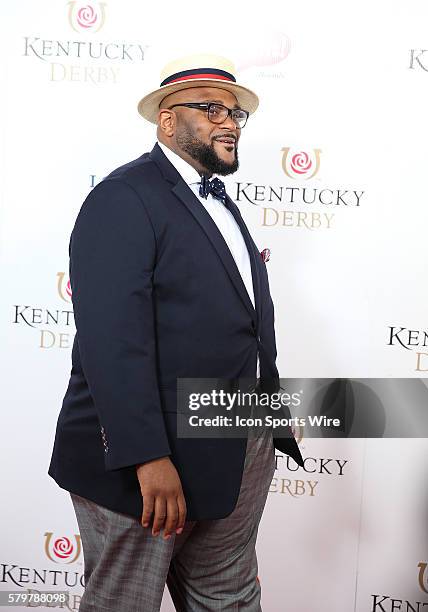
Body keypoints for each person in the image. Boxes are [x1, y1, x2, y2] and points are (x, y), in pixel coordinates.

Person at [48, 53, 304, 611]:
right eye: (212, 109)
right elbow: (112, 341)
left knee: (228, 596)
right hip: (149, 458)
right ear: (166, 120)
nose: (230, 122)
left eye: (236, 113)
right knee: (125, 602)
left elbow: (238, 324)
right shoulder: (123, 198)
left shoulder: (218, 202)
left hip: (235, 438)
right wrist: (146, 456)